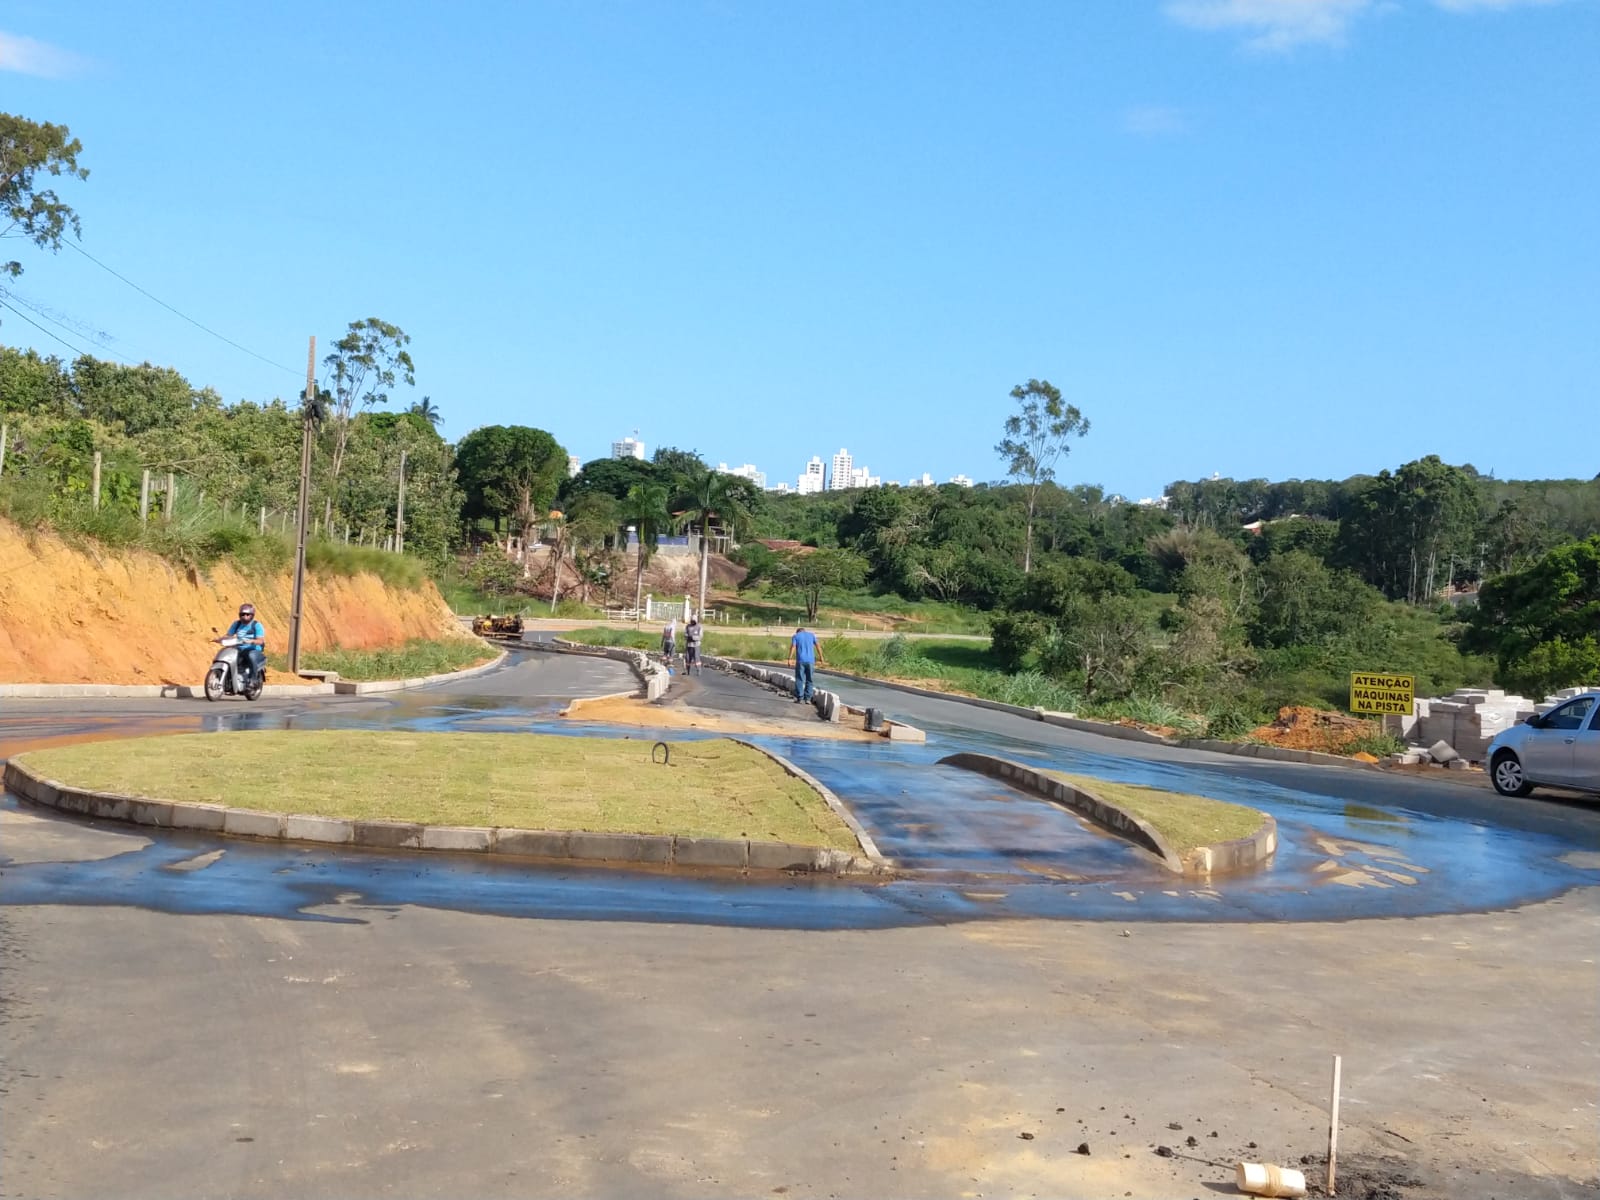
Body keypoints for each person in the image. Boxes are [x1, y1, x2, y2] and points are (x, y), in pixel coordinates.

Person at [225, 602, 266, 686]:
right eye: (242, 614)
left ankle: (253, 680)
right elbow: (228, 635)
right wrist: (219, 639)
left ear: (252, 615)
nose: (245, 616)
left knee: (251, 656)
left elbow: (260, 640)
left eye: (248, 614)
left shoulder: (256, 625)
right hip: (239, 648)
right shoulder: (237, 624)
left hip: (253, 649)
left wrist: (251, 641)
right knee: (228, 655)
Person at [788, 625, 824, 703]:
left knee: (799, 679)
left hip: (800, 661)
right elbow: (818, 645)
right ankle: (807, 699)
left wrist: (790, 659)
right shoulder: (811, 635)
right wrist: (821, 657)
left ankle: (800, 697)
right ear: (804, 631)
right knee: (809, 680)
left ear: (798, 631)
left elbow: (793, 646)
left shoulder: (796, 636)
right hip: (811, 661)